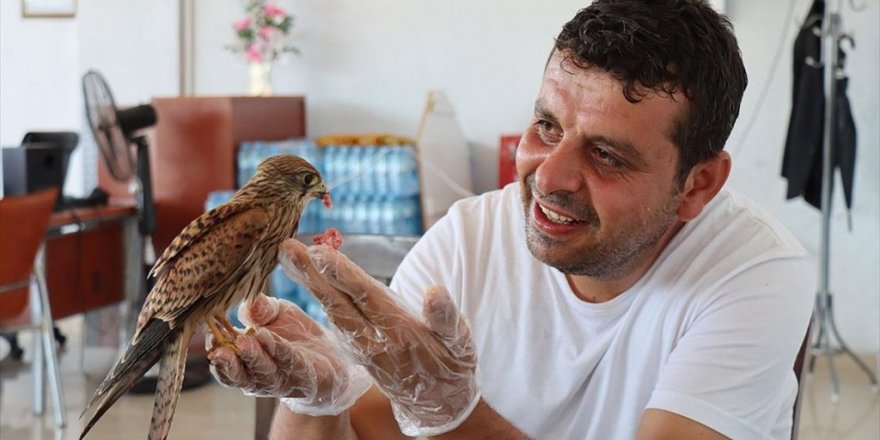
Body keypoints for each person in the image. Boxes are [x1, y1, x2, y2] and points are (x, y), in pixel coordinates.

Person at [207, 1, 815, 438]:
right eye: (546, 127)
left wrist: (454, 416)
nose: (548, 177)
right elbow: (371, 429)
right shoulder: (470, 239)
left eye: (606, 154)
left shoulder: (755, 274)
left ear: (698, 184)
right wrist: (320, 398)